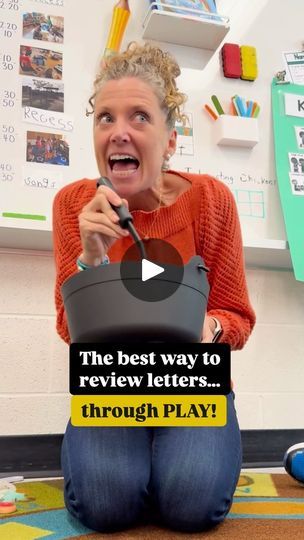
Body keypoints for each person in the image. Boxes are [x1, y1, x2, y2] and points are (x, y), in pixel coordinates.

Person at [52, 41, 256, 533]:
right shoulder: (73, 206)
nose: (119, 131)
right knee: (105, 504)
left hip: (192, 379)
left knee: (191, 505)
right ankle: (131, 467)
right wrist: (92, 257)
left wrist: (197, 327)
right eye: (105, 118)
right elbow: (68, 327)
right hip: (113, 380)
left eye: (139, 117)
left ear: (169, 140)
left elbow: (238, 319)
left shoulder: (210, 200)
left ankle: (163, 467)